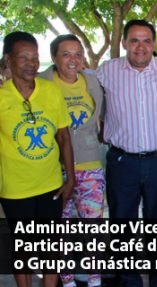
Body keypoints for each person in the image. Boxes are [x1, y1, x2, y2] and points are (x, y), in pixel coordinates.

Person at [96, 19, 157, 287]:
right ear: (124, 44)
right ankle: (128, 278)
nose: (140, 46)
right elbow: (72, 81)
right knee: (122, 224)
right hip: (122, 161)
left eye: (146, 40)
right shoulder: (106, 72)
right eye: (134, 40)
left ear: (154, 44)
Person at [0, 31, 75, 287]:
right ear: (8, 60)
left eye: (35, 57)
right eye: (24, 58)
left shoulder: (51, 91)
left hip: (51, 183)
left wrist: (71, 178)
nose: (31, 63)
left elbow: (64, 136)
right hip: (14, 187)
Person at [39, 34, 105, 287]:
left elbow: (101, 116)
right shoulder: (42, 80)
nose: (73, 59)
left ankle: (94, 280)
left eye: (77, 53)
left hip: (90, 166)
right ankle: (66, 281)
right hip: (56, 170)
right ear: (54, 57)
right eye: (66, 54)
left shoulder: (91, 80)